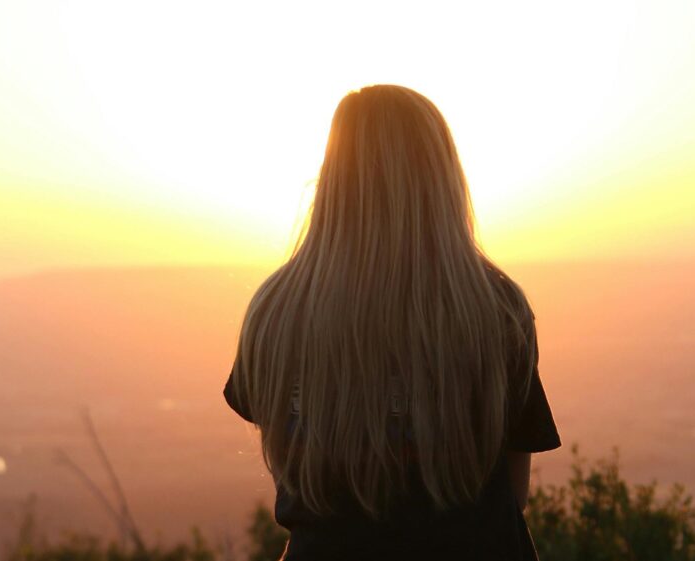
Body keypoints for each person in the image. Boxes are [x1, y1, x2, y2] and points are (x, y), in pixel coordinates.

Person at [223, 84, 561, 560]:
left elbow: (291, 466)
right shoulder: (495, 309)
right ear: (441, 177)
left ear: (333, 175)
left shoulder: (274, 310)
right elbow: (513, 494)